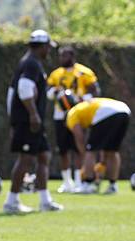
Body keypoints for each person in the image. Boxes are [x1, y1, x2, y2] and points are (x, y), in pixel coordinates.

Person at [4, 30, 63, 214]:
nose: (49, 51)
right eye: (48, 47)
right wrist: (33, 115)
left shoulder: (31, 62)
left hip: (31, 121)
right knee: (26, 159)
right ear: (43, 46)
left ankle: (45, 201)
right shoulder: (31, 63)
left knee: (44, 155)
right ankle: (11, 202)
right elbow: (24, 88)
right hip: (28, 121)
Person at [47, 46, 100, 193]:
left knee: (78, 147)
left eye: (65, 56)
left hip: (78, 114)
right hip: (60, 115)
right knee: (63, 150)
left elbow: (95, 89)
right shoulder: (56, 74)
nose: (62, 58)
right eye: (61, 56)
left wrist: (83, 99)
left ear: (72, 56)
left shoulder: (84, 72)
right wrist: (55, 92)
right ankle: (66, 181)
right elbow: (49, 92)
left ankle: (78, 179)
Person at [66, 98, 130, 194]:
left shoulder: (71, 113)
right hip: (124, 111)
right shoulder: (86, 105)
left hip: (105, 113)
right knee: (112, 150)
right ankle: (113, 186)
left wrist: (85, 160)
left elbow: (79, 137)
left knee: (90, 151)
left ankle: (88, 184)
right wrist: (102, 163)